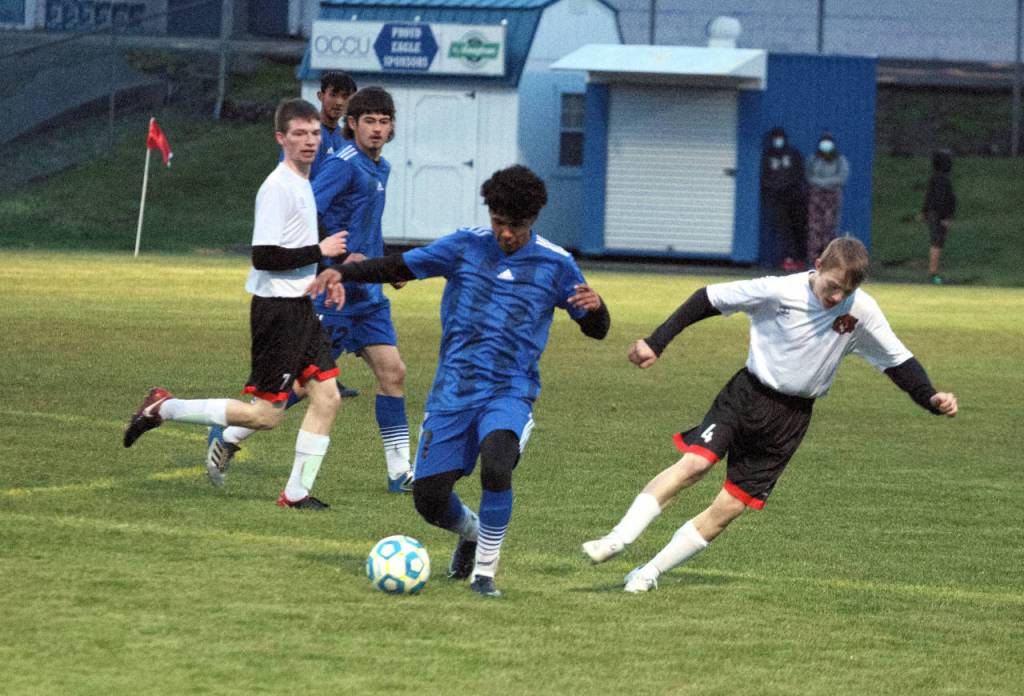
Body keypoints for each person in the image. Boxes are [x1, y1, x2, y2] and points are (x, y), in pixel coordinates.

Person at [581, 237, 958, 593]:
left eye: (846, 291)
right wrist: (656, 342)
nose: (837, 297)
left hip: (790, 419)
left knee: (729, 507)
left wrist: (930, 396)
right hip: (746, 395)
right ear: (818, 265)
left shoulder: (862, 310)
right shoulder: (779, 291)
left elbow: (897, 361)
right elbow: (707, 298)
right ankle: (617, 538)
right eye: (832, 286)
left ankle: (648, 572)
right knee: (695, 464)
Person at [306, 165, 611, 597]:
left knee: (497, 465)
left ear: (533, 220)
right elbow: (399, 265)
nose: (506, 233)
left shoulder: (557, 264)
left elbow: (596, 329)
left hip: (510, 391)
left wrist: (598, 308)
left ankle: (484, 574)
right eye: (499, 222)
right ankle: (471, 533)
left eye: (516, 226)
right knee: (429, 499)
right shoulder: (465, 245)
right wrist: (344, 272)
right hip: (453, 391)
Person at [124, 98, 349, 510]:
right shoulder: (277, 187)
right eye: (299, 133)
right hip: (277, 312)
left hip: (301, 306)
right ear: (281, 138)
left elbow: (296, 247)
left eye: (315, 133)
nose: (309, 141)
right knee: (266, 416)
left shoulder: (303, 183)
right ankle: (163, 407)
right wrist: (320, 250)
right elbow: (263, 256)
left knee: (328, 397)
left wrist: (325, 274)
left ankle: (295, 494)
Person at [211, 87, 414, 493]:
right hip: (335, 295)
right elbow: (309, 211)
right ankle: (230, 434)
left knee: (393, 373)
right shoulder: (343, 165)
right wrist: (333, 261)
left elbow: (366, 227)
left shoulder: (382, 167)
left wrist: (383, 266)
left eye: (384, 121)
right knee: (306, 386)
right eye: (369, 121)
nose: (377, 129)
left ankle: (400, 473)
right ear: (352, 124)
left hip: (368, 296)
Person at [760, 127, 807, 271]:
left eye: (780, 137)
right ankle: (788, 258)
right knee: (784, 230)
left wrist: (793, 187)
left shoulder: (793, 153)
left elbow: (800, 172)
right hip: (777, 198)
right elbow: (765, 176)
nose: (778, 141)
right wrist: (775, 188)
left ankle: (800, 258)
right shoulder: (768, 155)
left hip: (795, 197)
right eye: (776, 138)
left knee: (799, 228)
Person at [805, 132, 850, 263]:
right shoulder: (813, 159)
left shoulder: (840, 160)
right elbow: (809, 176)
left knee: (830, 226)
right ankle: (814, 258)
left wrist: (824, 183)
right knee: (815, 227)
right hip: (816, 197)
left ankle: (829, 257)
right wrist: (820, 183)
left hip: (832, 197)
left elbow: (841, 177)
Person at [921, 150, 956, 285]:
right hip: (938, 216)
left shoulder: (934, 179)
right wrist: (946, 216)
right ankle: (933, 273)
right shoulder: (943, 180)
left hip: (933, 214)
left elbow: (928, 197)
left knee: (936, 243)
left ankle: (933, 272)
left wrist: (925, 212)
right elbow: (943, 199)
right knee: (937, 243)